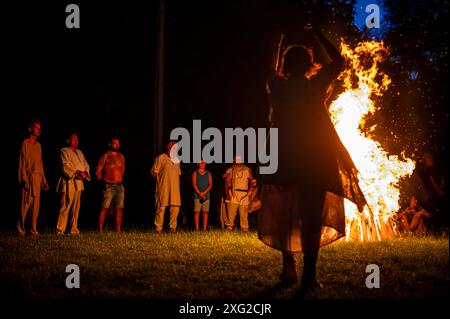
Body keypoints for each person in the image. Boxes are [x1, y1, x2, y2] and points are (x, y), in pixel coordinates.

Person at [258, 24, 366, 291]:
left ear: (286, 65)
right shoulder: (316, 85)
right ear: (308, 65)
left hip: (284, 157)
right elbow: (339, 61)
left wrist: (278, 42)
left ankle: (288, 267)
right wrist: (317, 34)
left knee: (285, 213)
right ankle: (309, 273)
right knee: (311, 216)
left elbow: (269, 71)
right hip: (314, 159)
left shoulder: (277, 88)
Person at [17, 119, 49, 236]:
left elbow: (40, 163)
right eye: (36, 128)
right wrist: (24, 178)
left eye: (40, 128)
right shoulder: (25, 143)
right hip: (29, 178)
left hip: (37, 178)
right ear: (30, 129)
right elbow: (22, 162)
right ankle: (20, 226)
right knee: (25, 204)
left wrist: (44, 180)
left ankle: (33, 228)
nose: (39, 130)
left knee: (35, 206)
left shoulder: (39, 146)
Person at [56, 133, 90, 235]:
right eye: (73, 139)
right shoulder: (64, 151)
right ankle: (60, 230)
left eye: (77, 140)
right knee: (65, 206)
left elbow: (86, 164)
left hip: (79, 182)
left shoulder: (80, 152)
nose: (76, 141)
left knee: (76, 208)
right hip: (69, 182)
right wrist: (77, 172)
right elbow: (65, 165)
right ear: (68, 141)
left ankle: (73, 229)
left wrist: (85, 173)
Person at [96, 137, 125, 233]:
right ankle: (100, 230)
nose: (117, 145)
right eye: (114, 143)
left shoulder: (121, 156)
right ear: (110, 144)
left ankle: (118, 230)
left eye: (118, 143)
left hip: (119, 186)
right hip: (108, 185)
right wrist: (102, 179)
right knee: (104, 207)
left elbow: (122, 170)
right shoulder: (105, 156)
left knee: (119, 208)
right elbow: (98, 170)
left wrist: (118, 178)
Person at [151, 141, 181, 232]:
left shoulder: (177, 160)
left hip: (175, 188)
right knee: (161, 207)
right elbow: (153, 172)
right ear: (168, 147)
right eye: (172, 147)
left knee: (175, 208)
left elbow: (178, 173)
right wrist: (160, 181)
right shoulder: (161, 158)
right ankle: (158, 228)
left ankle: (172, 227)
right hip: (163, 187)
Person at [223, 155, 255, 231]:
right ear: (233, 160)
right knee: (231, 212)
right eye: (236, 159)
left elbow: (252, 181)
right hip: (233, 193)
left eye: (239, 159)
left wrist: (250, 191)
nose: (238, 160)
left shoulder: (247, 169)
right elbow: (226, 183)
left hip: (244, 194)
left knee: (244, 213)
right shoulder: (230, 170)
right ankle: (229, 228)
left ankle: (244, 229)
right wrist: (227, 194)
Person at [192, 160, 213, 232]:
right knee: (197, 212)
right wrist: (199, 193)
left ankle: (204, 229)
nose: (202, 164)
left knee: (205, 212)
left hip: (206, 196)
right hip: (197, 196)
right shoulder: (195, 173)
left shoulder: (208, 173)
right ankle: (197, 229)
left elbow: (210, 184)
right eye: (201, 163)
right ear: (198, 164)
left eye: (204, 163)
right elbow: (194, 184)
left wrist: (204, 193)